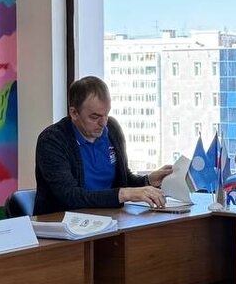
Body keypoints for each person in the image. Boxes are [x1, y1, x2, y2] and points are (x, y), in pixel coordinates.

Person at [34, 76, 172, 215]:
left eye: (106, 114)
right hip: (63, 221)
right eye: (95, 117)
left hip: (110, 218)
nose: (103, 122)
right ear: (74, 113)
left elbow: (123, 180)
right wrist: (124, 194)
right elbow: (70, 196)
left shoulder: (112, 128)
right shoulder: (52, 140)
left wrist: (148, 181)